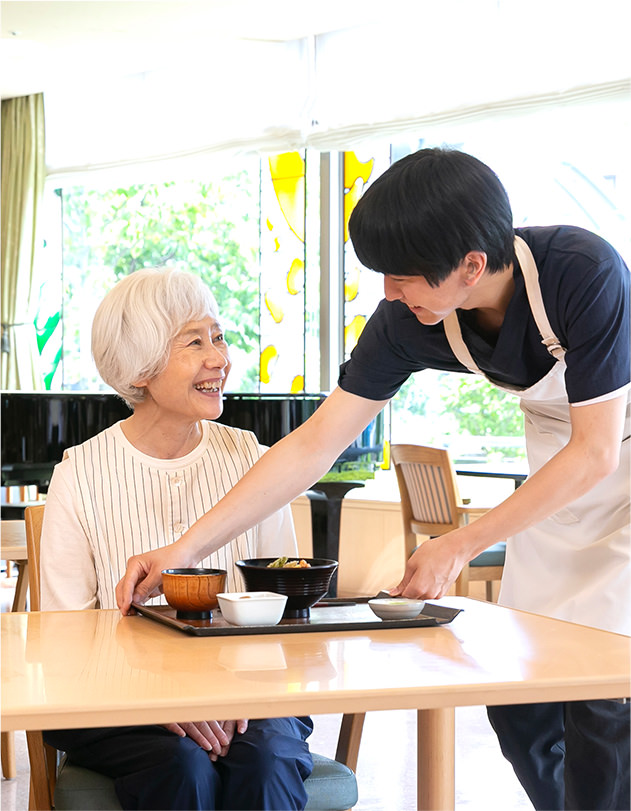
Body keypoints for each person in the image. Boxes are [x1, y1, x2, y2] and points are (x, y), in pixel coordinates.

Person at [117, 148, 630, 811]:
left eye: (402, 274)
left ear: (471, 266)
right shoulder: (406, 322)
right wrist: (182, 550)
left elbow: (594, 453)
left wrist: (457, 543)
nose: (388, 291)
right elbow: (312, 444)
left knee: (601, 700)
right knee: (521, 697)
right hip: (558, 474)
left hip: (610, 459)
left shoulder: (580, 273)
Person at [40, 267, 314, 811]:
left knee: (264, 762)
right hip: (115, 701)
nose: (219, 358)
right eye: (194, 342)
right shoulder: (80, 473)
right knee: (180, 765)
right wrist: (158, 700)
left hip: (249, 692)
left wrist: (236, 691)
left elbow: (287, 608)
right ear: (140, 369)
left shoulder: (252, 460)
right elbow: (63, 639)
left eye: (219, 336)